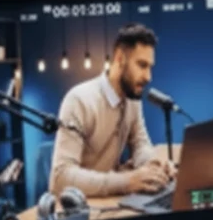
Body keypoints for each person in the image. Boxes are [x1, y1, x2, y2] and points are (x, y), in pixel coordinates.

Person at [49, 23, 176, 197]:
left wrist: (154, 165)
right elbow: (60, 178)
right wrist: (126, 182)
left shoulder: (132, 100)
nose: (148, 77)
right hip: (77, 205)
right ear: (120, 58)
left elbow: (140, 144)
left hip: (107, 202)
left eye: (150, 67)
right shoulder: (79, 100)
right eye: (142, 65)